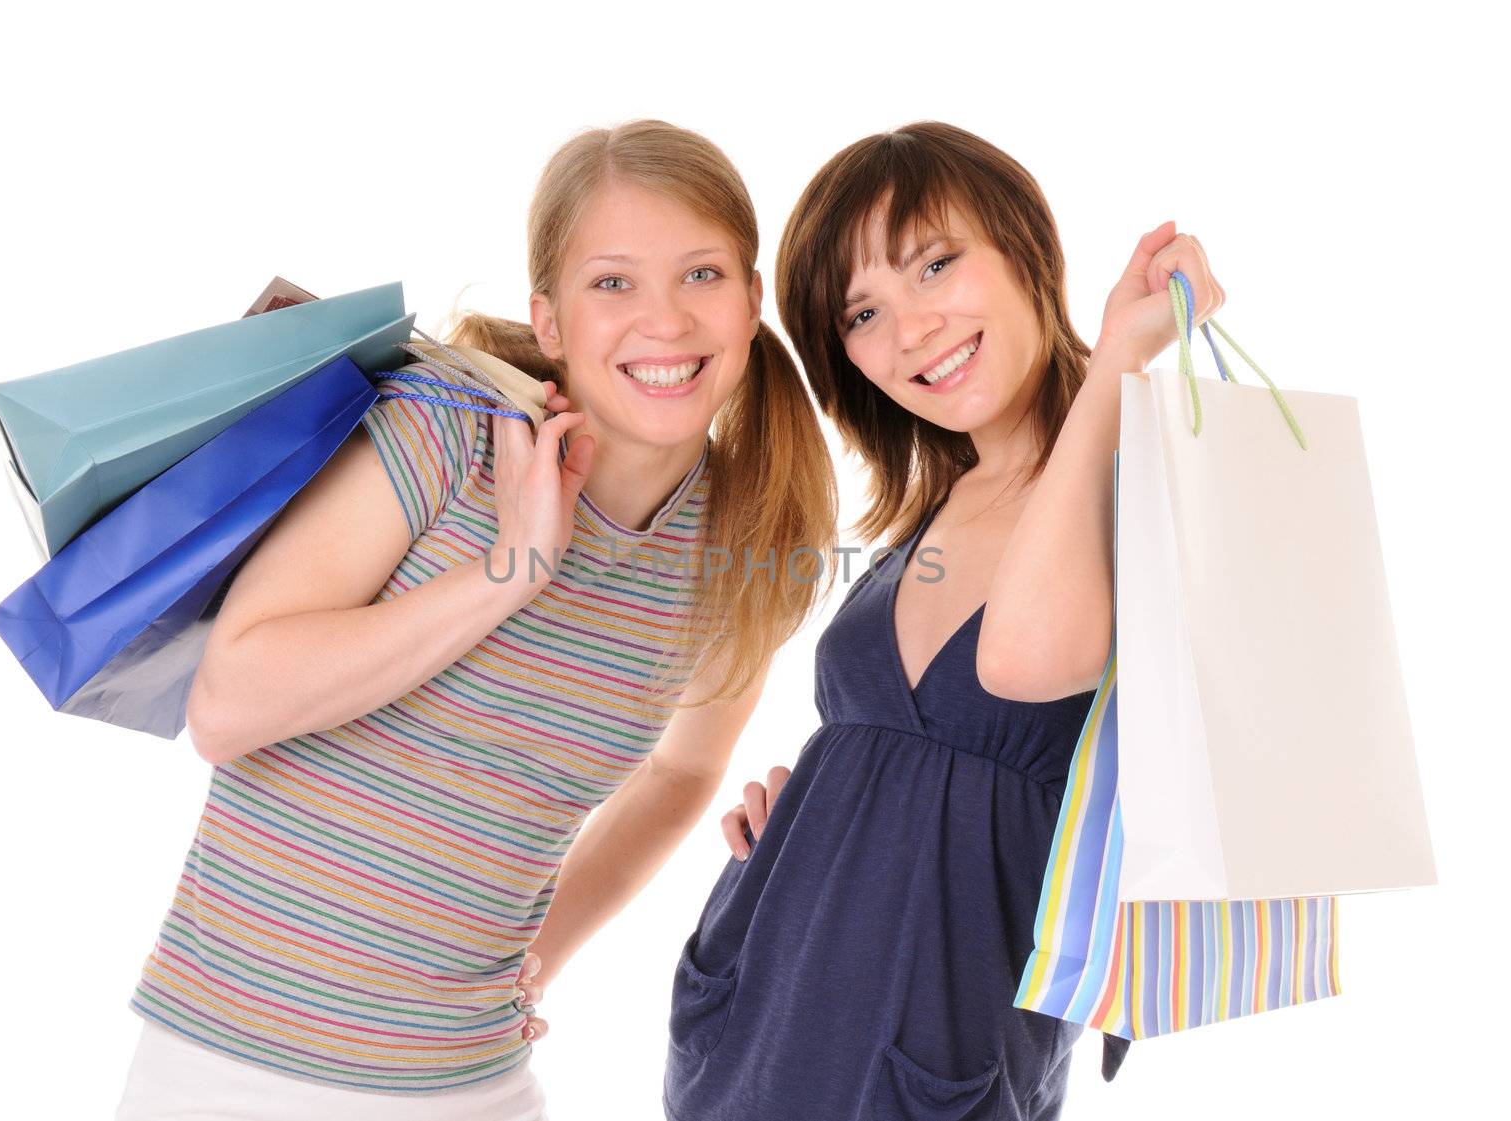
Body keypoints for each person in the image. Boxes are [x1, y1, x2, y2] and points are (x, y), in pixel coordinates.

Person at [113, 119, 836, 1120]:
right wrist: (509, 571)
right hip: (232, 1068)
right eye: (613, 282)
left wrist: (546, 946)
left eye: (702, 275)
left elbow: (681, 770)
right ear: (549, 319)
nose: (664, 321)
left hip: (473, 1086)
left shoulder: (743, 545)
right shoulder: (446, 426)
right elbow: (229, 704)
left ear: (752, 301)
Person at [663, 121, 1223, 1120]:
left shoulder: (1138, 469)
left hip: (926, 1059)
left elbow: (1017, 662)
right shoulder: (938, 502)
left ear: (1024, 249)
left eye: (934, 263)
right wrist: (820, 812)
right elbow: (908, 752)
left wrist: (1114, 369)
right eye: (861, 312)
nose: (910, 329)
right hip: (762, 1023)